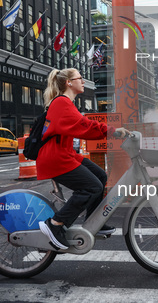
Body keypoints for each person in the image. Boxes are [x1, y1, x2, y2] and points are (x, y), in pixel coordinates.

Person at [37, 68, 130, 250]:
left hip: (65, 154)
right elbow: (84, 126)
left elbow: (81, 127)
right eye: (79, 78)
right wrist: (112, 131)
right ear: (68, 83)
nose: (83, 81)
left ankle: (94, 221)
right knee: (91, 186)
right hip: (56, 158)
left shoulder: (67, 103)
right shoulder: (62, 102)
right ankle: (55, 224)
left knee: (100, 177)